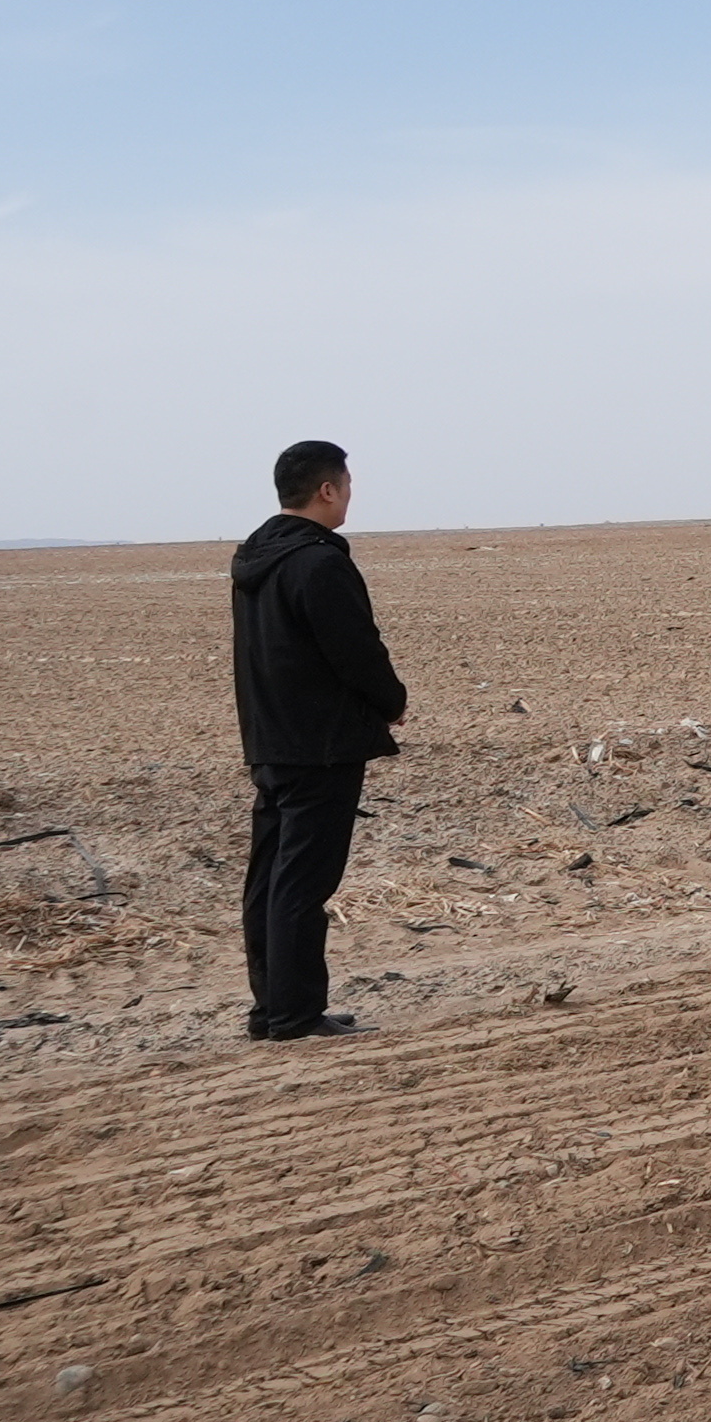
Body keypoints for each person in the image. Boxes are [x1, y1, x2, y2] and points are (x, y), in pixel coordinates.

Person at [228, 439, 408, 1039]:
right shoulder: (318, 562)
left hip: (270, 738)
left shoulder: (255, 557)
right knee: (302, 883)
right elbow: (355, 650)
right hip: (320, 744)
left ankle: (271, 1008)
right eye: (347, 485)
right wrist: (391, 702)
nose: (350, 496)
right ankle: (295, 1014)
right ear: (327, 489)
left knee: (271, 878)